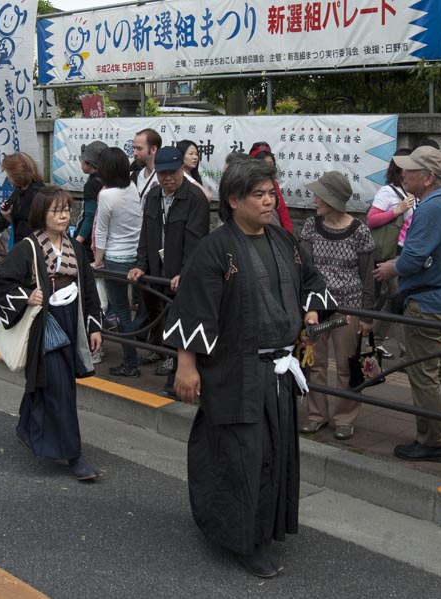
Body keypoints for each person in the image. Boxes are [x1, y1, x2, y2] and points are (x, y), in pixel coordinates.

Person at [166, 158, 335, 578]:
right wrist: (186, 366)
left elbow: (313, 283)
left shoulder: (284, 240)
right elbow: (192, 308)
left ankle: (265, 527)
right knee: (242, 456)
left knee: (274, 455)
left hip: (280, 370)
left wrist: (311, 312)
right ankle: (243, 540)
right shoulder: (214, 248)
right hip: (235, 370)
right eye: (258, 194)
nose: (269, 200)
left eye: (270, 192)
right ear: (233, 199)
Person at [0, 187, 103, 481]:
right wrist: (26, 295)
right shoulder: (27, 247)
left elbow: (88, 290)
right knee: (60, 388)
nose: (65, 215)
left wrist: (93, 326)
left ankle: (27, 426)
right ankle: (74, 456)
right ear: (42, 214)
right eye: (57, 210)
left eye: (67, 209)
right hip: (46, 324)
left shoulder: (76, 247)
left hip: (71, 319)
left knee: (50, 383)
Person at [373, 146, 441, 462]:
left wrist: (390, 268)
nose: (404, 174)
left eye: (410, 170)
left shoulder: (430, 209)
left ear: (428, 177)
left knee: (423, 373)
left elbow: (412, 258)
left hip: (425, 301)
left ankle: (432, 441)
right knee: (440, 369)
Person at [299, 172, 376, 441]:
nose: (315, 199)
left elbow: (368, 275)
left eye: (320, 195)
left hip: (348, 308)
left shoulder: (360, 231)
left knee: (346, 366)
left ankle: (345, 418)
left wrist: (367, 315)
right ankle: (316, 415)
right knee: (316, 363)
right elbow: (305, 270)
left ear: (333, 198)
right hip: (318, 308)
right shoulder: (310, 226)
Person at [128, 146, 210, 393]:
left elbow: (197, 241)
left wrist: (185, 272)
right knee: (160, 320)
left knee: (181, 326)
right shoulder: (153, 196)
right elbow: (146, 234)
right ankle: (171, 370)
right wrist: (140, 265)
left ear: (182, 170)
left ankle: (177, 381)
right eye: (163, 174)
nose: (168, 178)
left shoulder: (195, 198)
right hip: (156, 272)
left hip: (180, 275)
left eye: (173, 172)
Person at [93, 147, 143, 377]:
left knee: (122, 313)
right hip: (134, 257)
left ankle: (131, 362)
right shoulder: (132, 187)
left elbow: (101, 231)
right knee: (126, 311)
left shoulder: (106, 195)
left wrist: (97, 261)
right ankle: (135, 357)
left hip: (114, 259)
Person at [367, 148, 416, 358]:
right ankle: (408, 353)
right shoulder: (388, 192)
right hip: (392, 252)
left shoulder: (415, 192)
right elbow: (371, 219)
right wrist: (397, 210)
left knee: (393, 299)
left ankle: (375, 341)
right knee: (400, 298)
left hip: (408, 251)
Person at [0, 152, 45, 245]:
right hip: (22, 244)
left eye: (8, 173)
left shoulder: (37, 193)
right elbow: (20, 223)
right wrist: (8, 216)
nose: (7, 176)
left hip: (33, 246)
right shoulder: (20, 190)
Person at [249, 142, 293, 233]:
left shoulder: (274, 184)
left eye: (271, 164)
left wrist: (289, 235)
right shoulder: (246, 184)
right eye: (264, 164)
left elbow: (282, 210)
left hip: (274, 231)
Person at [75, 140, 106, 261]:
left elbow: (89, 217)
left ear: (89, 163)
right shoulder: (108, 180)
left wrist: (77, 242)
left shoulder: (92, 184)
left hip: (88, 241)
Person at [131, 128, 161, 204]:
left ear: (153, 149)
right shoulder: (135, 176)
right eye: (134, 148)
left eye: (139, 148)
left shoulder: (168, 174)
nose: (135, 153)